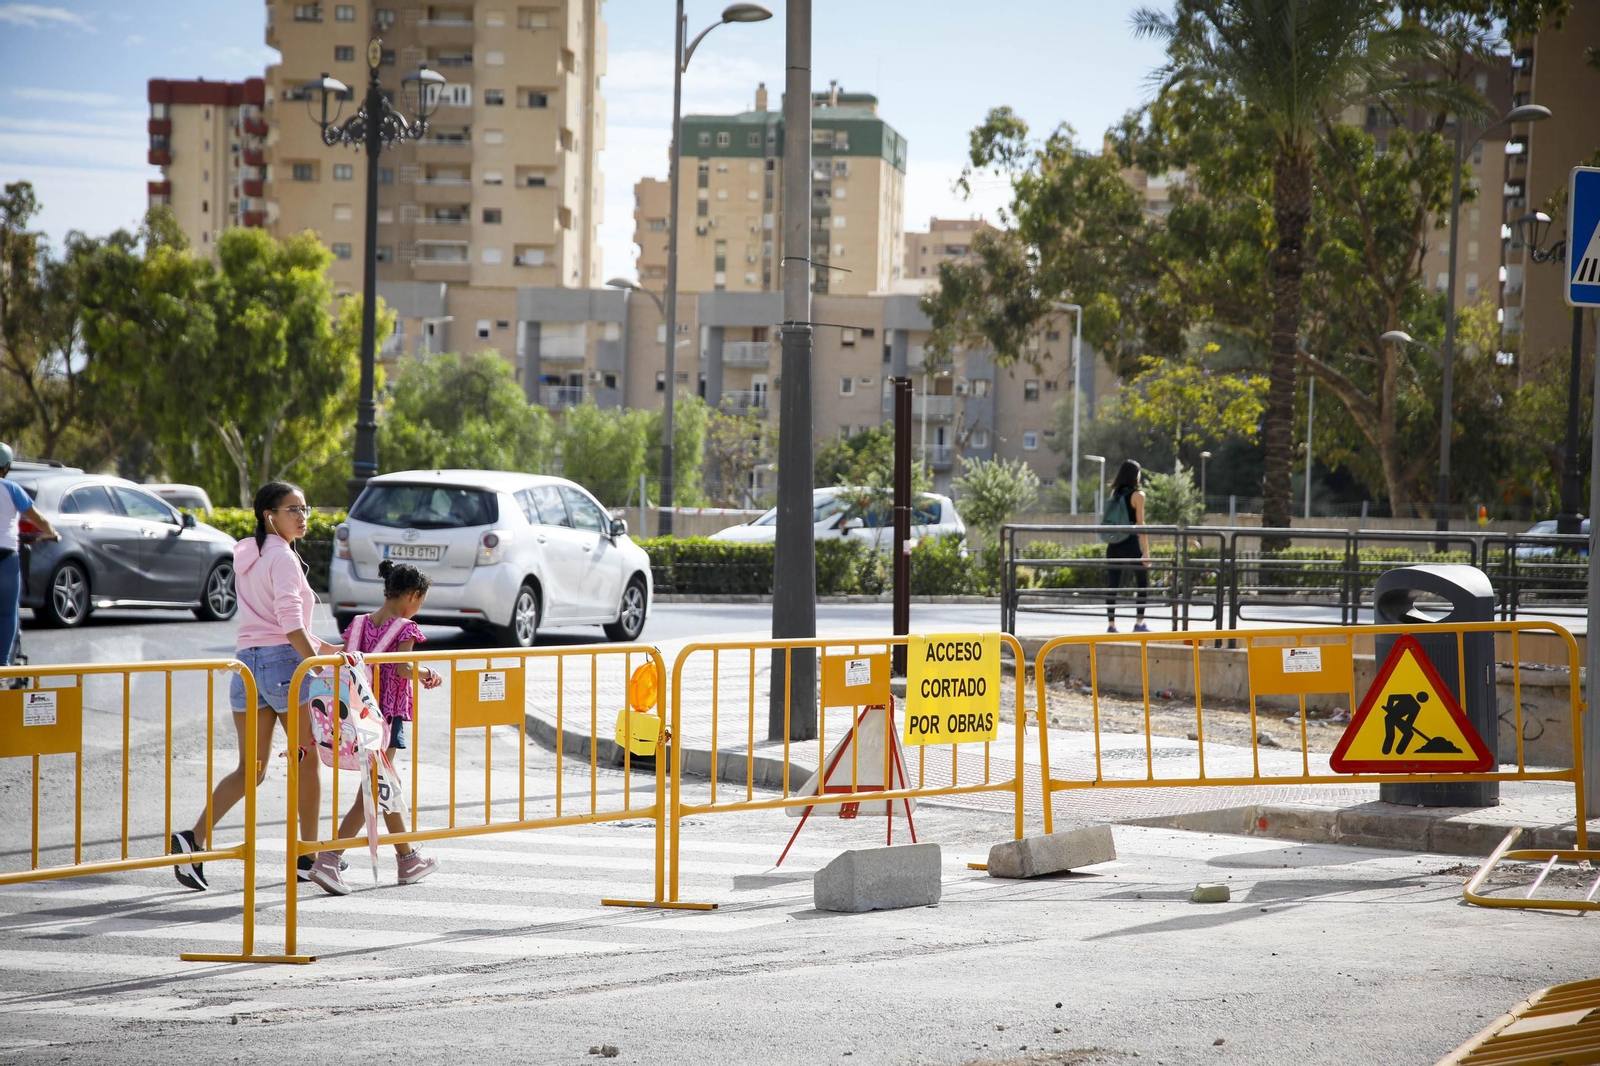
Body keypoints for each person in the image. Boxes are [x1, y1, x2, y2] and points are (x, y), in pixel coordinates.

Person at [173, 481, 341, 890]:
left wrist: (326, 648)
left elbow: (269, 624)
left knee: (252, 770)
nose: (302, 517)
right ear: (270, 515)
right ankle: (309, 856)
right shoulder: (282, 557)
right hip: (283, 665)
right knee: (307, 761)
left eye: (305, 509)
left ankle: (192, 840)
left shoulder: (250, 552)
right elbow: (288, 624)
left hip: (246, 665)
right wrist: (314, 662)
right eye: (293, 510)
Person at [308, 560, 444, 893]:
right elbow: (403, 670)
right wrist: (428, 673)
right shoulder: (405, 629)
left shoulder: (357, 625)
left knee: (385, 785)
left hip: (354, 716)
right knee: (373, 791)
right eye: (420, 602)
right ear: (413, 595)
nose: (417, 609)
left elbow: (345, 656)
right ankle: (329, 860)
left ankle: (407, 858)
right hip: (385, 717)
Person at [1, 443, 59, 676]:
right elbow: (39, 520)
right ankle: (3, 666)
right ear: (7, 466)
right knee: (6, 612)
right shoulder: (12, 489)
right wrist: (50, 534)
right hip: (5, 557)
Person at [1102, 459, 1150, 634]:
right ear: (1136, 475)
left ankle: (1112, 625)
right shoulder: (1138, 496)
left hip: (1114, 543)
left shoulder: (1114, 494)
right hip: (1130, 542)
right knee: (1142, 582)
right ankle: (1139, 623)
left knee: (1113, 583)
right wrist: (1146, 551)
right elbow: (1140, 524)